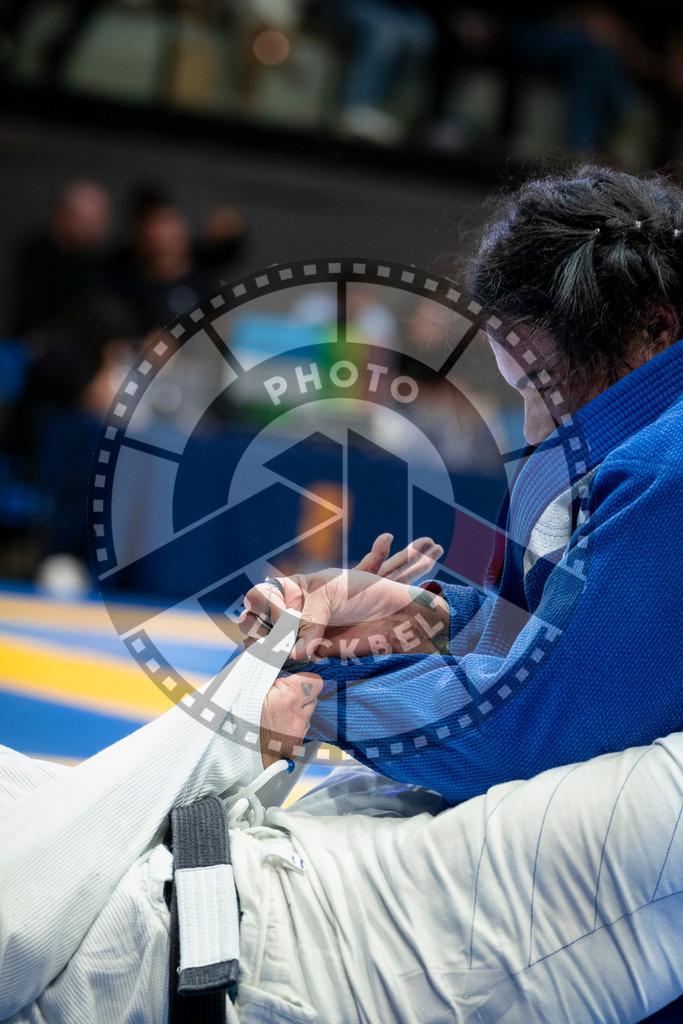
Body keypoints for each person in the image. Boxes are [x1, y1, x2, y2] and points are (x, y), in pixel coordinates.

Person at [240, 166, 683, 806]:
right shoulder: (614, 455)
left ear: (655, 332)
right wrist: (425, 620)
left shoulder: (662, 470)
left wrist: (315, 691)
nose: (533, 424)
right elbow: (536, 634)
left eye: (543, 386)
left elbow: (529, 732)